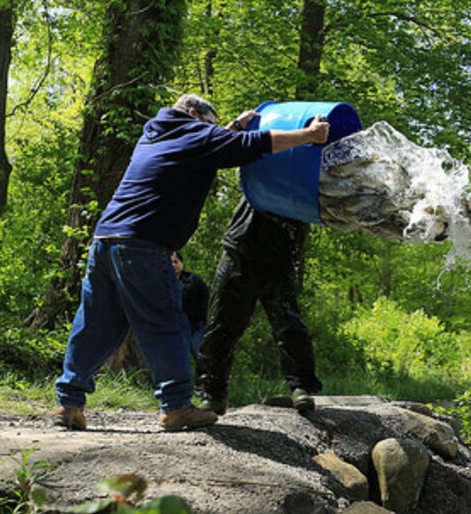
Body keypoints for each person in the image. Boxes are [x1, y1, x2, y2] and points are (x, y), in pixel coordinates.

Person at [54, 94, 330, 431]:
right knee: (166, 323)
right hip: (144, 244)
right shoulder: (194, 133)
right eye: (211, 125)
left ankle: (68, 404)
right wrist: (308, 136)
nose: (213, 132)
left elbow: (213, 144)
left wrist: (230, 128)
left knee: (94, 325)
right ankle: (176, 407)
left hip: (105, 241)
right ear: (193, 113)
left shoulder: (155, 134)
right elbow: (251, 144)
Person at [196, 195, 322, 415]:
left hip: (281, 254)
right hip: (239, 250)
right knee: (221, 325)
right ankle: (213, 394)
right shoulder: (256, 164)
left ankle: (300, 387)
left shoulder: (309, 167)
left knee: (289, 324)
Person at [171, 251, 209, 357]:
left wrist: (204, 319)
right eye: (170, 263)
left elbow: (207, 297)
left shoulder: (193, 279)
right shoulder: (166, 284)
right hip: (176, 329)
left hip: (196, 327)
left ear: (182, 263)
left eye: (175, 262)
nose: (173, 265)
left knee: (201, 356)